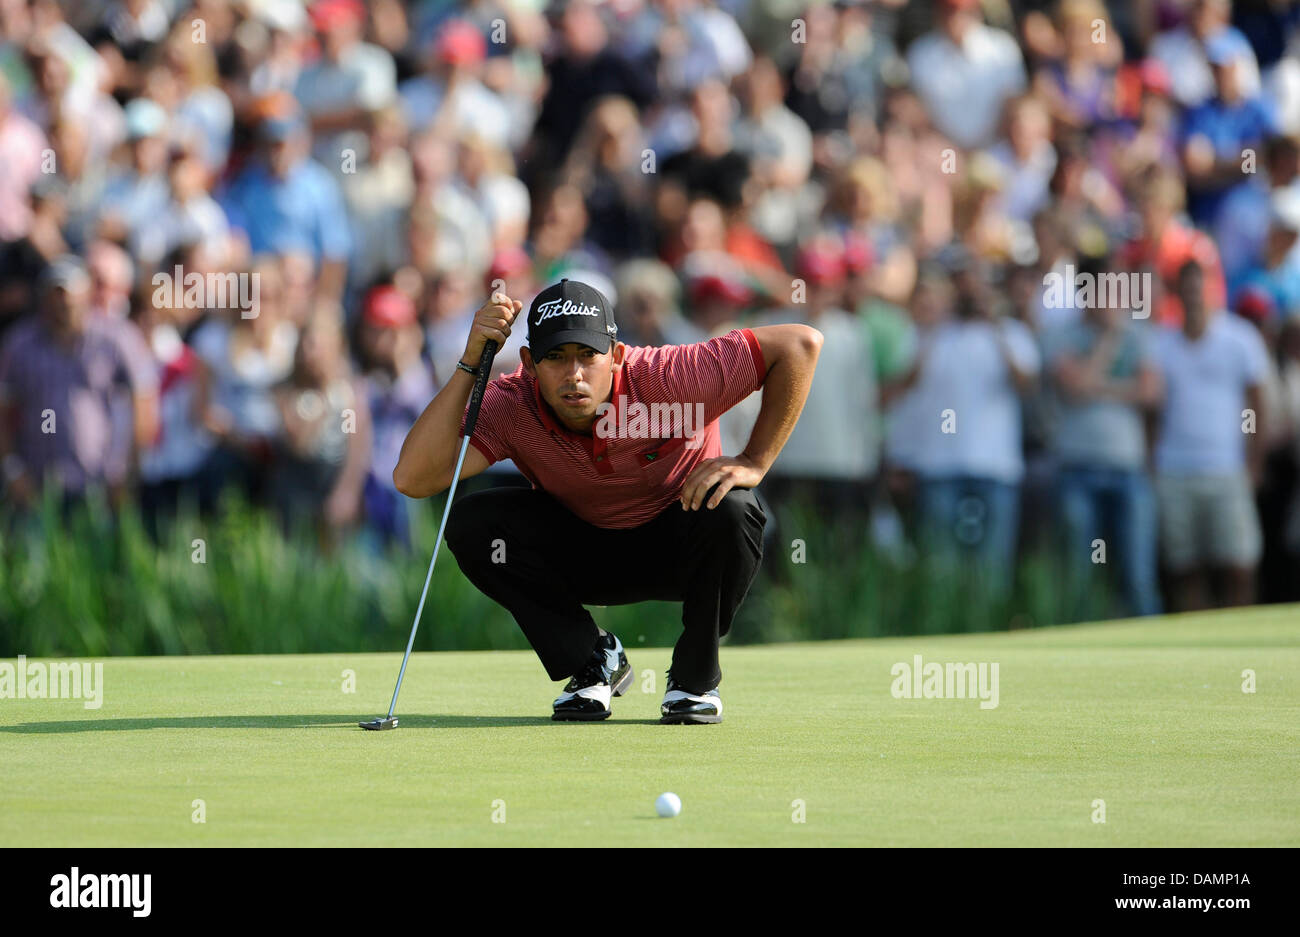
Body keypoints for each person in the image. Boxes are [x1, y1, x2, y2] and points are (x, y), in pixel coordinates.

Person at [392, 278, 822, 723]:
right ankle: (593, 661)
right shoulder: (512, 404)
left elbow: (800, 344)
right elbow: (412, 478)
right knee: (472, 522)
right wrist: (468, 362)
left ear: (615, 356)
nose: (573, 374)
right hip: (584, 553)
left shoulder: (671, 375)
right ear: (529, 363)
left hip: (683, 550)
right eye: (555, 358)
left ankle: (693, 681)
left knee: (734, 506)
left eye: (586, 356)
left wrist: (755, 459)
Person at [1153, 259, 1269, 610]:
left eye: (1198, 288)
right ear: (1178, 294)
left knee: (1238, 564)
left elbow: (1255, 406)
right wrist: (1151, 458)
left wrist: (1252, 459)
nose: (1193, 297)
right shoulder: (1162, 344)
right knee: (1186, 567)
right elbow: (1153, 411)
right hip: (1175, 469)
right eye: (1186, 289)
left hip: (1226, 468)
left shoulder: (1240, 339)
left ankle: (1240, 642)